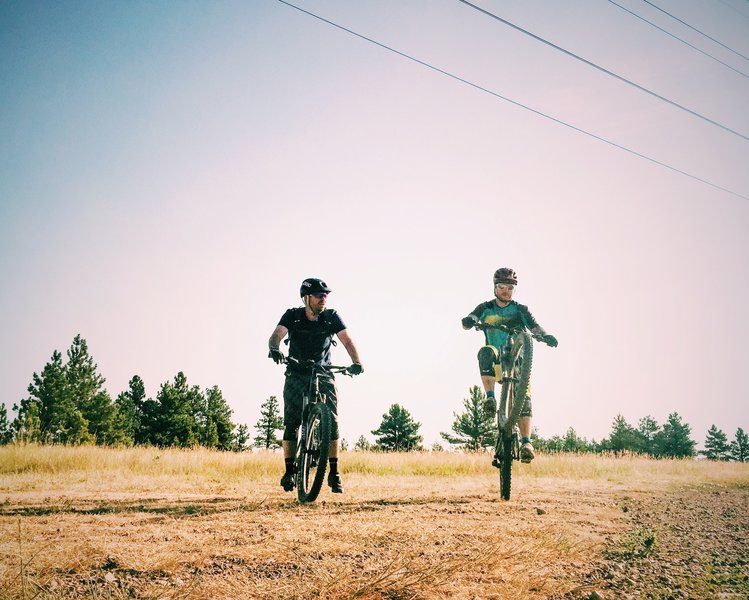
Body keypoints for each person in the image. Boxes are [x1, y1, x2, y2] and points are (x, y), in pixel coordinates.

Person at [268, 277, 363, 494]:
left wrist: (356, 362)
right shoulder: (292, 316)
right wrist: (275, 349)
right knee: (291, 423)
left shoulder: (331, 317)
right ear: (306, 298)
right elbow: (276, 336)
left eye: (326, 296)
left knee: (333, 420)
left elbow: (347, 341)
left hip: (324, 372)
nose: (324, 300)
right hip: (296, 372)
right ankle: (290, 470)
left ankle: (334, 472)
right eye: (320, 296)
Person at [461, 267, 557, 463]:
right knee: (486, 352)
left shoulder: (521, 310)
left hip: (517, 360)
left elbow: (535, 326)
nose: (506, 291)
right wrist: (469, 321)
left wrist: (545, 335)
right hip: (496, 359)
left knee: (525, 400)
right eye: (502, 287)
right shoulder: (486, 307)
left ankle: (526, 443)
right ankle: (490, 398)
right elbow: (471, 318)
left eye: (510, 288)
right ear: (495, 287)